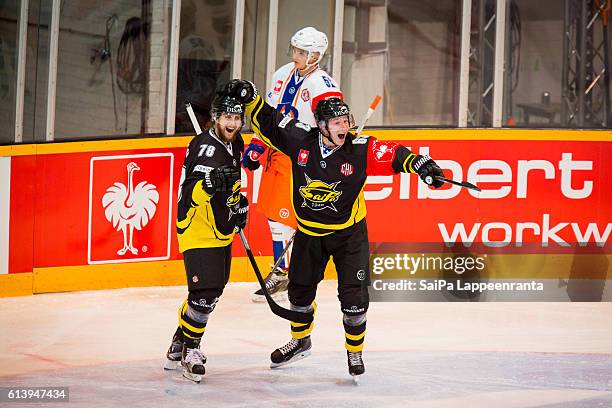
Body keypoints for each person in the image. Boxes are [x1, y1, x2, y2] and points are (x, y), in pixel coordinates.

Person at [223, 79, 445, 378]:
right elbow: (270, 120)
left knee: (354, 300)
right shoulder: (301, 140)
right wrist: (250, 97)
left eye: (346, 121)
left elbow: (393, 154)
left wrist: (423, 165)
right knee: (299, 294)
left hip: (348, 237)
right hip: (310, 235)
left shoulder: (359, 148)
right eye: (338, 122)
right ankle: (300, 341)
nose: (345, 127)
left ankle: (354, 352)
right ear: (323, 126)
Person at [242, 27, 342, 302]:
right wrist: (257, 146)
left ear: (315, 55)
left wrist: (331, 157)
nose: (295, 56)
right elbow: (269, 116)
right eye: (295, 50)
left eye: (301, 52)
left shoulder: (324, 86)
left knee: (294, 219)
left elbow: (334, 126)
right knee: (275, 216)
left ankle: (296, 275)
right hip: (278, 154)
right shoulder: (282, 74)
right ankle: (282, 273)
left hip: (302, 159)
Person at [163, 90, 249, 383]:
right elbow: (192, 193)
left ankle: (178, 341)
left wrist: (239, 206)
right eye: (228, 117)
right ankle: (191, 350)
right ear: (215, 118)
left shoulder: (235, 143)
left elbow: (233, 186)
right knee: (204, 294)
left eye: (237, 117)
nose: (233, 123)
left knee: (211, 292)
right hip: (198, 227)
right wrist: (210, 184)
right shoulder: (204, 148)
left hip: (220, 228)